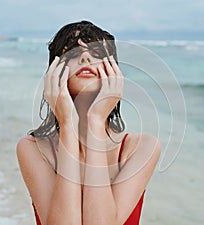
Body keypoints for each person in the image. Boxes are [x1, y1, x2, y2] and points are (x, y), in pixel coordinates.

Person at [16, 20, 161, 225]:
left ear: (114, 70)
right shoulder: (33, 149)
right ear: (53, 72)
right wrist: (67, 125)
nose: (85, 57)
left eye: (98, 54)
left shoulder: (141, 148)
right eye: (73, 54)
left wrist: (95, 121)